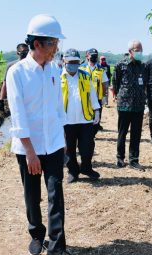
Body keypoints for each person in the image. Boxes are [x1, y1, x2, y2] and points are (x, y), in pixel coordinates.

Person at [6, 14, 78, 255]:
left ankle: (57, 248)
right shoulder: (17, 73)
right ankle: (37, 234)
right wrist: (30, 151)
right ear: (38, 44)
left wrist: (64, 139)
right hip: (30, 146)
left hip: (54, 143)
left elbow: (58, 108)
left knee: (56, 192)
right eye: (53, 43)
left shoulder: (54, 69)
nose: (57, 48)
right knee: (32, 194)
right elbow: (18, 115)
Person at [61, 48, 101, 183]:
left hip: (85, 119)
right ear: (64, 61)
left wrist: (96, 110)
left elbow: (92, 95)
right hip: (67, 121)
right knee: (69, 149)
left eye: (76, 62)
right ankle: (73, 171)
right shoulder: (58, 77)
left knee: (87, 147)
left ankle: (86, 168)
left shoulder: (85, 75)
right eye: (70, 61)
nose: (73, 64)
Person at [112, 40, 147, 171]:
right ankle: (120, 158)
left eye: (141, 50)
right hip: (124, 104)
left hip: (138, 105)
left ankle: (133, 160)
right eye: (138, 50)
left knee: (136, 133)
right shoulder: (120, 65)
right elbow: (115, 82)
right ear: (131, 51)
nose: (140, 53)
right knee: (122, 132)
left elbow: (144, 83)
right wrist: (117, 95)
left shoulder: (142, 66)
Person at [80, 48, 109, 133]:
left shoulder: (101, 69)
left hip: (97, 98)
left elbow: (104, 84)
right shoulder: (82, 68)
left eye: (96, 56)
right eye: (92, 55)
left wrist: (104, 96)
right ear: (87, 56)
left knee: (97, 117)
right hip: (85, 98)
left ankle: (94, 132)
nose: (94, 57)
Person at [0, 43, 29, 111]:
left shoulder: (32, 66)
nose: (26, 53)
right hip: (15, 98)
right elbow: (5, 84)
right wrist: (1, 101)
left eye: (27, 51)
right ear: (18, 53)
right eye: (23, 52)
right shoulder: (11, 66)